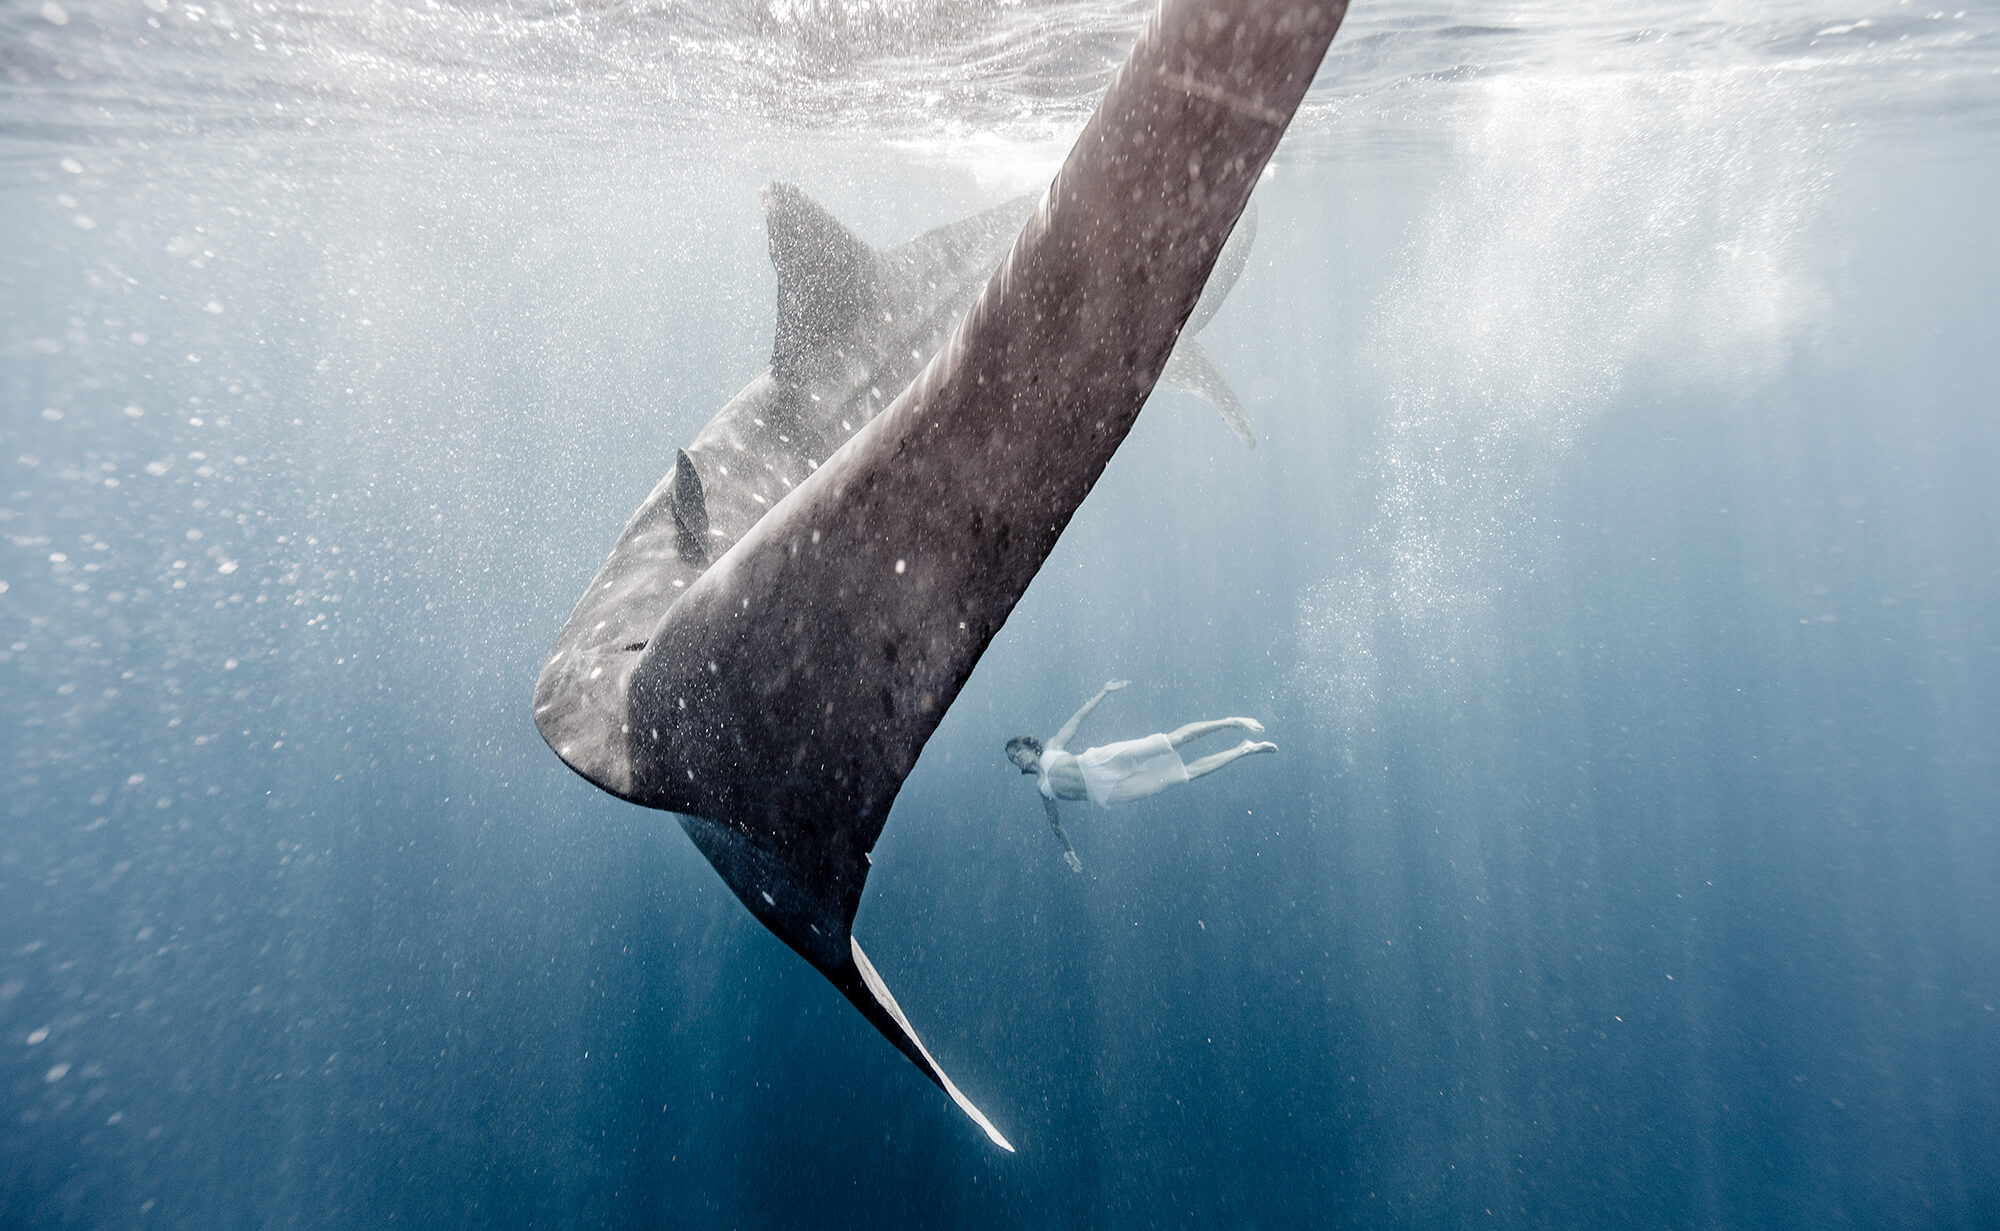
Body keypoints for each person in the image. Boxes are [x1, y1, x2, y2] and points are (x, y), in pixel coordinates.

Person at [1004, 680, 1276, 872]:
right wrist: (1068, 849)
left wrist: (1104, 692)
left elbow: (1076, 720)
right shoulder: (1042, 789)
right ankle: (1243, 750)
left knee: (1171, 740)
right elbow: (1055, 824)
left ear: (1028, 745)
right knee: (1184, 775)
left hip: (1099, 761)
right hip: (1109, 793)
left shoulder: (1052, 746)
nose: (1016, 758)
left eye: (1017, 751)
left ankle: (1230, 722)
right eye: (1012, 758)